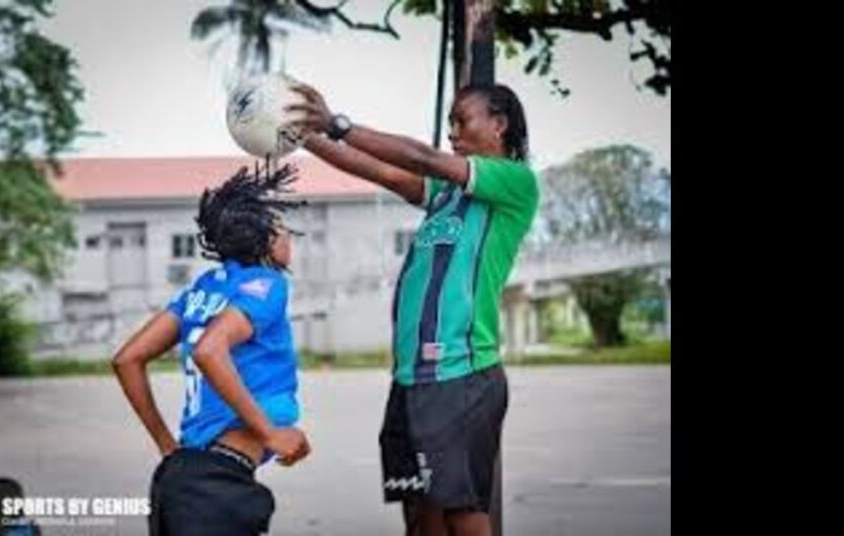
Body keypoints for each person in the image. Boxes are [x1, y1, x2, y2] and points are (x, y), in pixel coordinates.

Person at [288, 83, 539, 536]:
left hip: (460, 374)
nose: (453, 132)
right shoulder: (446, 192)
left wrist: (335, 124)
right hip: (411, 377)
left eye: (462, 121)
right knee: (419, 512)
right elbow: (381, 171)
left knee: (461, 510)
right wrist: (303, 136)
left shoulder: (513, 181)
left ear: (499, 124)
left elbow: (421, 156)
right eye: (450, 124)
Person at [112, 163, 311, 536]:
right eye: (284, 229)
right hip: (215, 488)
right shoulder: (267, 284)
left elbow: (128, 359)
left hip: (182, 475)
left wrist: (166, 445)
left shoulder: (204, 288)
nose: (289, 238)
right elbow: (209, 350)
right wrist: (270, 433)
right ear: (266, 238)